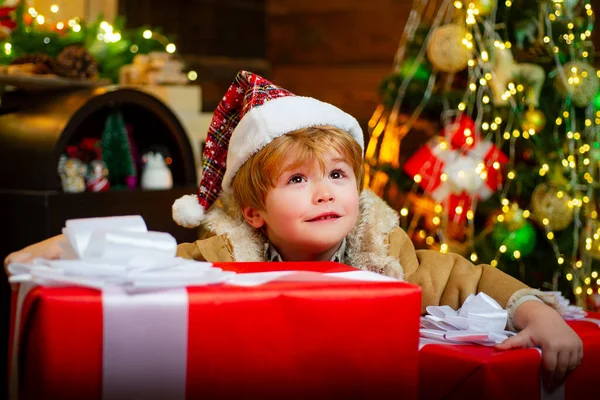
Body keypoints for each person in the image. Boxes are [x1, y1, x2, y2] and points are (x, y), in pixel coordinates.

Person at [4, 71, 582, 390]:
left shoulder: (384, 257)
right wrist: (60, 252)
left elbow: (469, 277)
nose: (326, 190)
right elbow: (155, 261)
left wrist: (540, 314)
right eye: (299, 180)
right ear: (254, 211)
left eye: (337, 174)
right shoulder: (228, 255)